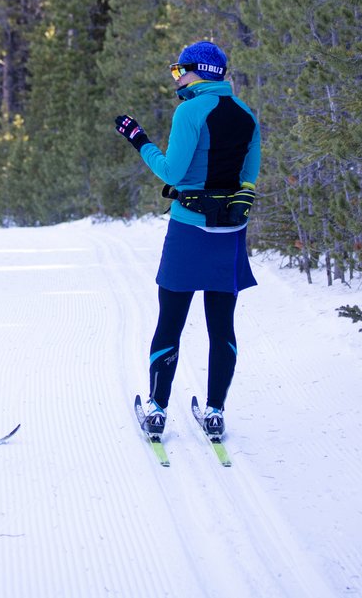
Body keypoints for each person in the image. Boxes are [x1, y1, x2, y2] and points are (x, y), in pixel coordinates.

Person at [114, 40, 260, 439]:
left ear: (201, 71)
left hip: (188, 229)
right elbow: (250, 174)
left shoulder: (189, 112)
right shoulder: (248, 115)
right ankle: (215, 412)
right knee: (222, 327)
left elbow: (172, 173)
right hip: (229, 233)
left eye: (180, 71)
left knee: (170, 323)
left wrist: (139, 140)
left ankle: (158, 410)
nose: (177, 78)